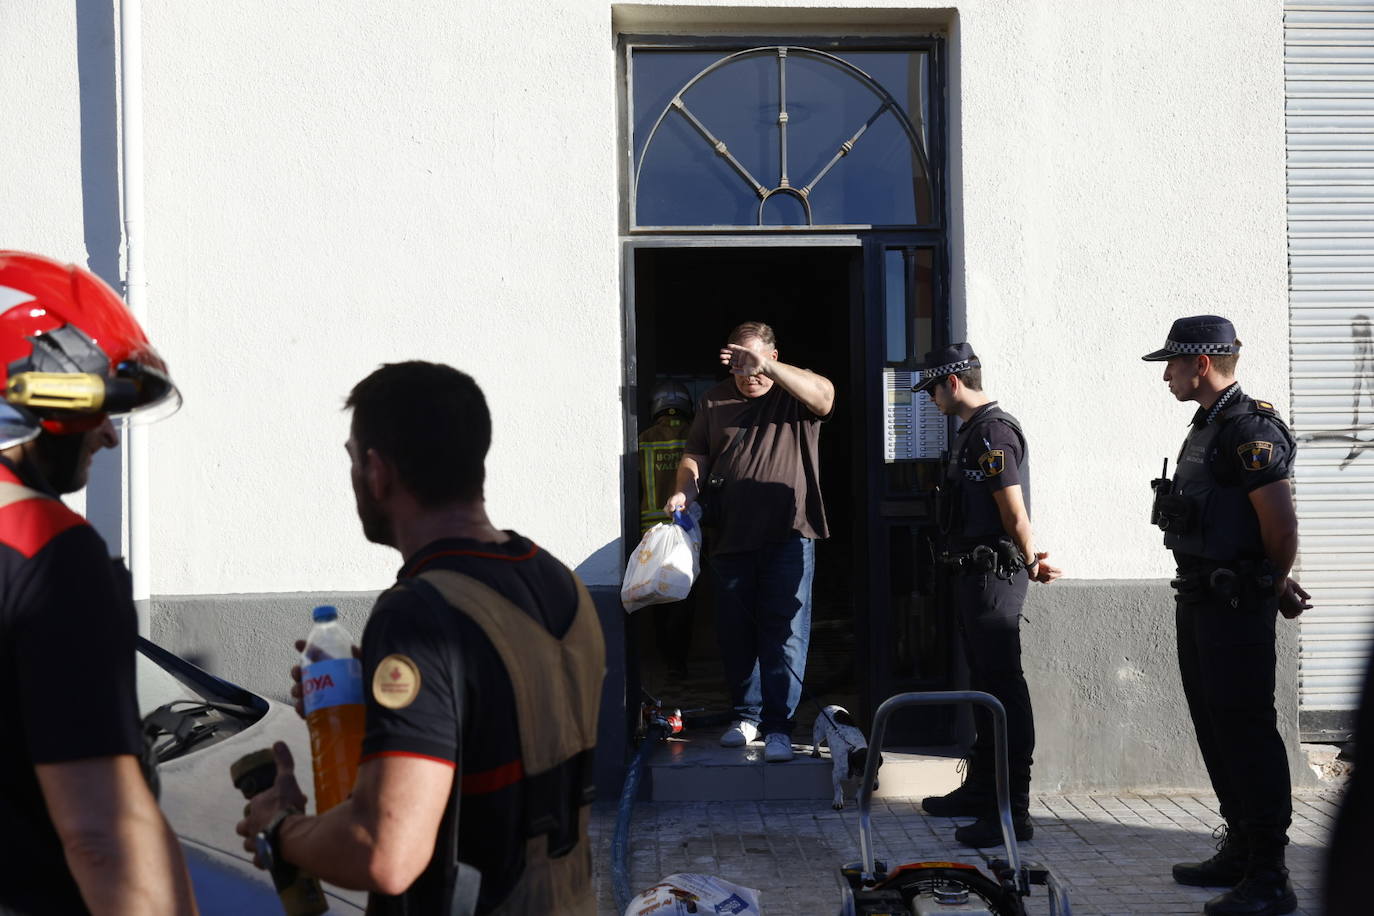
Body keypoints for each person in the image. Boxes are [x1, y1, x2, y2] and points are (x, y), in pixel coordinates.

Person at [236, 361, 605, 915]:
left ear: (377, 472)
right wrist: (373, 708)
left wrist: (281, 829)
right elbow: (503, 737)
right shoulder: (559, 580)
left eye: (353, 460)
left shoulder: (418, 615)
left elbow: (386, 852)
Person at [0, 252, 197, 914]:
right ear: (46, 401)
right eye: (99, 411)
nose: (108, 437)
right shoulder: (51, 555)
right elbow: (100, 836)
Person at [1142, 316, 1311, 916]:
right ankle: (1240, 849)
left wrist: (1270, 581)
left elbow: (1281, 524)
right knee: (1216, 726)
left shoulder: (1248, 429)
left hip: (1235, 602)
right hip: (1201, 597)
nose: (1166, 375)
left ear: (1202, 365)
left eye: (1173, 364)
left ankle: (1269, 874)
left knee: (1246, 731)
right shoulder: (1208, 426)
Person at [911, 342, 1062, 848]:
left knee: (1002, 690)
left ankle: (1011, 810)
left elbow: (1013, 510)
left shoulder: (994, 432)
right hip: (972, 577)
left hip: (994, 576)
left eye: (932, 387)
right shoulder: (971, 434)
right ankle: (980, 791)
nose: (931, 398)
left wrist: (1033, 557)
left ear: (952, 382)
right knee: (983, 686)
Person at [664, 322, 833, 763]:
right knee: (735, 633)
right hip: (730, 535)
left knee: (785, 633)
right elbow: (695, 454)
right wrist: (685, 489)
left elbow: (825, 396)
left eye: (755, 364)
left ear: (774, 358)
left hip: (790, 535)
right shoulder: (715, 398)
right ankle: (747, 715)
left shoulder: (794, 392)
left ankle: (779, 726)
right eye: (740, 365)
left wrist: (771, 371)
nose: (748, 374)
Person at [638, 381, 695, 679]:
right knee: (686, 595)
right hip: (688, 531)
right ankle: (681, 660)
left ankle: (665, 658)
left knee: (659, 597)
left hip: (651, 532)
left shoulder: (643, 438)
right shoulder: (696, 435)